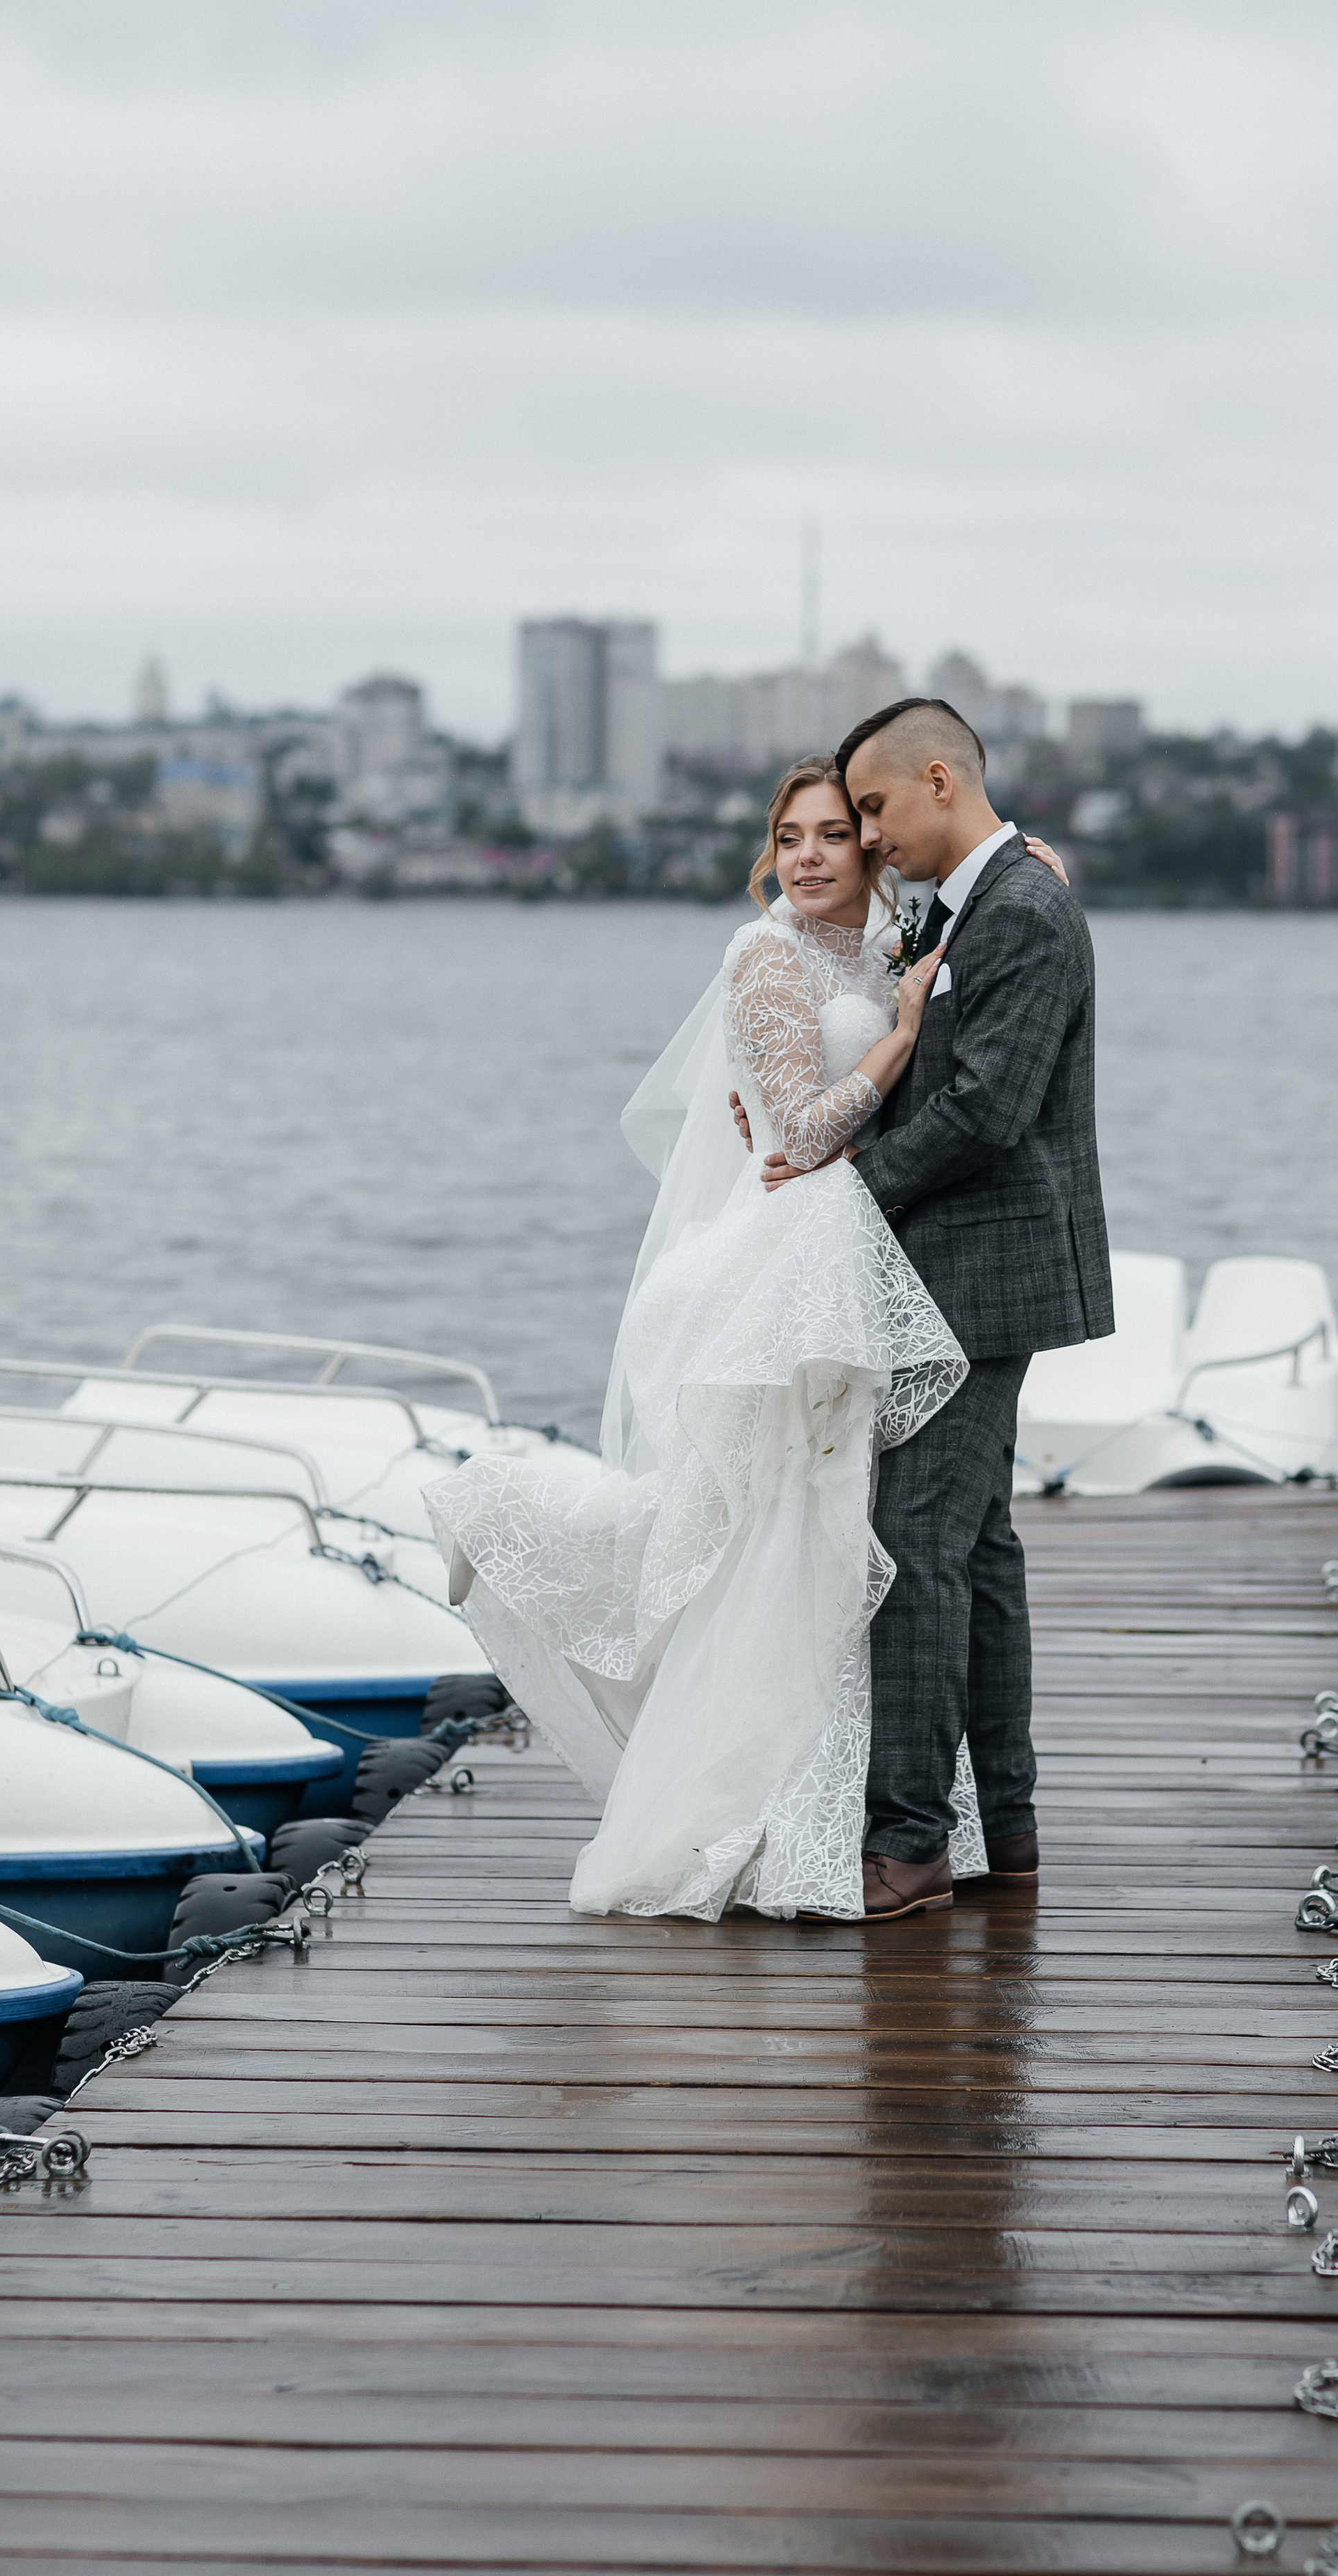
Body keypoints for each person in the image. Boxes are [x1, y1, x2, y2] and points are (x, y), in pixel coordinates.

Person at [425, 753, 1065, 1921]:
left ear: (874, 845)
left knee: (855, 1530)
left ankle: (898, 1812)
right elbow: (799, 1128)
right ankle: (780, 1802)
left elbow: (973, 922)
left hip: (869, 1258)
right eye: (793, 835)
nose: (813, 854)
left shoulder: (888, 938)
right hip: (800, 1255)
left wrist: (1020, 880)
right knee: (784, 1521)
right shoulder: (763, 953)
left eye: (837, 831)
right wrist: (896, 1038)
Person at [755, 699, 1113, 1918]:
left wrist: (843, 1192)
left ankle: (905, 1848)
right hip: (959, 1269)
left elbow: (984, 1110)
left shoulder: (1022, 908)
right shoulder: (979, 900)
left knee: (914, 1546)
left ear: (941, 779)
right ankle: (1004, 1824)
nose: (864, 835)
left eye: (873, 807)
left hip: (979, 1274)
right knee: (981, 1551)